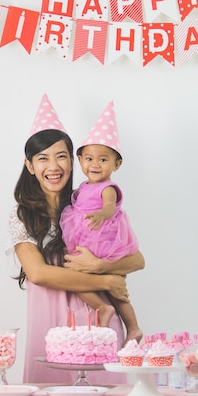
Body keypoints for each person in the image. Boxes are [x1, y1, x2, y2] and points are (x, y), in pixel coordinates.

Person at [6, 95, 145, 385]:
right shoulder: (24, 216)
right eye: (43, 158)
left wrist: (99, 265)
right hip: (51, 330)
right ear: (30, 166)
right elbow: (39, 273)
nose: (53, 166)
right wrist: (106, 281)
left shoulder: (91, 207)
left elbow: (136, 259)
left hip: (99, 327)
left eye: (61, 156)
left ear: (73, 161)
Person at [60, 101, 142, 346]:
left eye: (103, 160)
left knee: (112, 287)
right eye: (89, 158)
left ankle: (132, 325)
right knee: (81, 280)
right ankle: (107, 311)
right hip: (85, 239)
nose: (95, 164)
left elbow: (108, 206)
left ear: (116, 165)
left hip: (103, 242)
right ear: (80, 160)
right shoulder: (84, 186)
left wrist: (101, 215)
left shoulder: (108, 188)